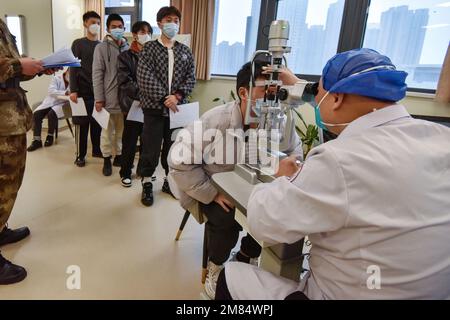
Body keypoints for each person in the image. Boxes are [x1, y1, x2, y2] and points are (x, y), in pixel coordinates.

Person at [218, 49, 450, 300]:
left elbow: (264, 222)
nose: (315, 102)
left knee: (231, 275)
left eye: (317, 95)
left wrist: (283, 178)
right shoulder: (441, 138)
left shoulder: (339, 159)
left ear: (336, 98)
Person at [168, 60, 303, 299]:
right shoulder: (215, 121)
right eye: (267, 92)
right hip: (211, 185)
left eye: (278, 93)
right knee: (226, 220)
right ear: (244, 92)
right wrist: (212, 193)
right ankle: (216, 267)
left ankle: (244, 256)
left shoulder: (279, 120)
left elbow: (295, 152)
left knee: (269, 217)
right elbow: (178, 161)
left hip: (254, 187)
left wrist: (290, 166)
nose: (273, 100)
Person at [0, 18, 58, 284]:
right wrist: (17, 65)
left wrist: (33, 67)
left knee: (10, 184)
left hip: (12, 119)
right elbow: (10, 65)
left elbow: (11, 64)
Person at [137, 6, 196, 206]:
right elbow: (144, 77)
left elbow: (191, 79)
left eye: (176, 21)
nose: (173, 24)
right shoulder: (149, 49)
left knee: (172, 149)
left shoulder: (184, 51)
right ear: (160, 23)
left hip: (177, 111)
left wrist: (177, 96)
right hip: (154, 109)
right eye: (169, 20)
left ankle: (167, 182)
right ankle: (146, 183)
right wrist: (165, 98)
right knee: (150, 148)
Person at [93, 13, 129, 177]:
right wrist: (99, 98)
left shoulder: (128, 48)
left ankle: (119, 155)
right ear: (107, 29)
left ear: (124, 28)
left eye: (120, 26)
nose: (117, 29)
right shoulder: (101, 48)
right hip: (107, 98)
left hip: (125, 100)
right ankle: (106, 158)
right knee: (107, 132)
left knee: (122, 131)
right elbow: (97, 74)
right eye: (113, 27)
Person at [118, 21, 152, 187]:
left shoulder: (154, 55)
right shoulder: (124, 56)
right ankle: (125, 172)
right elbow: (125, 81)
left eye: (148, 31)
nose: (145, 34)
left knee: (147, 141)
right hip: (133, 105)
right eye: (141, 31)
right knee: (130, 141)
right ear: (135, 34)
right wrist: (143, 95)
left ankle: (142, 170)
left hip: (151, 107)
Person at [70, 11, 103, 167]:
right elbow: (73, 68)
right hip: (81, 92)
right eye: (92, 22)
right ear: (85, 24)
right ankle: (80, 155)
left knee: (97, 123)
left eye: (98, 22)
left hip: (97, 93)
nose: (95, 25)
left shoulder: (102, 45)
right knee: (81, 125)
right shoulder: (78, 43)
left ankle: (96, 149)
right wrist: (73, 90)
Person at [27, 69, 70, 151]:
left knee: (52, 114)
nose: (71, 77)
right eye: (70, 74)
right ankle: (37, 140)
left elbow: (72, 94)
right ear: (66, 72)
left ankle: (50, 136)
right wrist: (65, 93)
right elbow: (51, 91)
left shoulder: (73, 82)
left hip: (61, 104)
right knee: (37, 114)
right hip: (50, 101)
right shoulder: (56, 78)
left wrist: (64, 94)